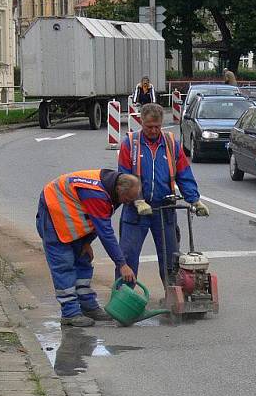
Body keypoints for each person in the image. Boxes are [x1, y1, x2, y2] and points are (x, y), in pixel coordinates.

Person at [117, 102, 210, 285]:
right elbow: (123, 177)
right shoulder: (130, 144)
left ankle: (173, 295)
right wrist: (137, 200)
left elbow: (184, 174)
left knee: (170, 258)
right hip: (136, 212)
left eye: (157, 127)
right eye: (149, 127)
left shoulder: (171, 144)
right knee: (128, 255)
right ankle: (124, 297)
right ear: (141, 122)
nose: (153, 131)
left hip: (165, 208)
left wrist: (195, 200)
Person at [36, 169, 140, 327]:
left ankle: (88, 306)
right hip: (54, 215)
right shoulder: (96, 193)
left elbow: (98, 218)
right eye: (128, 198)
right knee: (64, 264)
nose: (129, 202)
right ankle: (70, 313)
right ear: (120, 190)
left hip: (72, 217)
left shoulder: (113, 191)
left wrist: (87, 243)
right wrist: (122, 264)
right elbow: (105, 231)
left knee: (83, 260)